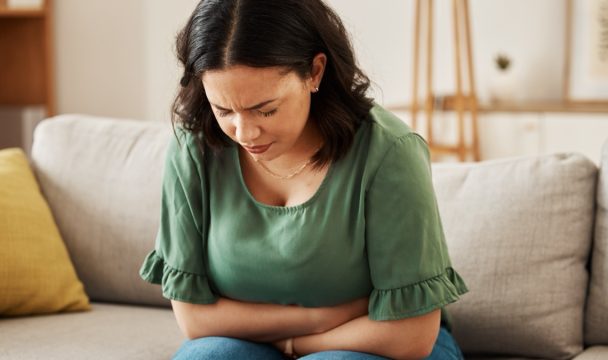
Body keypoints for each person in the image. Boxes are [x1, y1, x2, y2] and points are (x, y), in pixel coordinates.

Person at [139, 0, 469, 359]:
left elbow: (411, 335)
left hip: (379, 346)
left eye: (265, 109)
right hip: (256, 344)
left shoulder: (389, 152)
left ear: (314, 72)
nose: (244, 131)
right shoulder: (195, 149)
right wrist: (318, 319)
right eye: (224, 110)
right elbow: (195, 321)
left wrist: (297, 347)